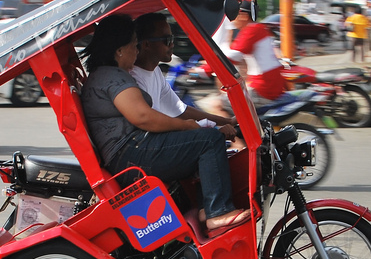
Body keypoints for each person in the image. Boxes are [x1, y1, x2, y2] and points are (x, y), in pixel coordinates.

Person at [80, 15, 250, 238]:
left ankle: (205, 209)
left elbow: (174, 110)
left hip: (134, 148)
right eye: (134, 45)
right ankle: (217, 213)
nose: (137, 50)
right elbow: (142, 116)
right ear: (120, 50)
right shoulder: (112, 78)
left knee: (205, 139)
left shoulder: (112, 75)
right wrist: (187, 127)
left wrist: (219, 122)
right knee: (209, 140)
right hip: (130, 153)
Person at [130, 12, 239, 135]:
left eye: (172, 39)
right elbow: (154, 124)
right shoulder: (134, 78)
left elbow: (180, 111)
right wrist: (213, 131)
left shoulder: (155, 71)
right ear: (146, 45)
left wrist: (227, 121)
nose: (172, 44)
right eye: (167, 40)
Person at [228, 4, 288, 107]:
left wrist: (205, 69)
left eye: (234, 15)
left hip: (264, 88)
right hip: (271, 84)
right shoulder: (261, 28)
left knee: (216, 104)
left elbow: (233, 56)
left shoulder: (251, 31)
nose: (231, 19)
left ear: (244, 16)